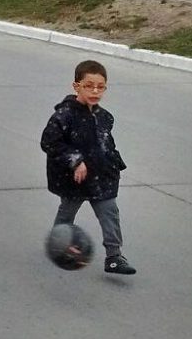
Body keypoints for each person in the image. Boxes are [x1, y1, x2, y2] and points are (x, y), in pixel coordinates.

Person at [40, 60, 136, 275]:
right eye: (89, 86)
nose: (95, 91)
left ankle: (114, 257)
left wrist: (114, 164)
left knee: (110, 213)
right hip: (75, 179)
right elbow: (49, 142)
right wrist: (75, 161)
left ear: (106, 88)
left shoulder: (104, 117)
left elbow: (105, 144)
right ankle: (58, 245)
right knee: (67, 214)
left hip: (102, 179)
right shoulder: (64, 116)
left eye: (100, 87)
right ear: (76, 86)